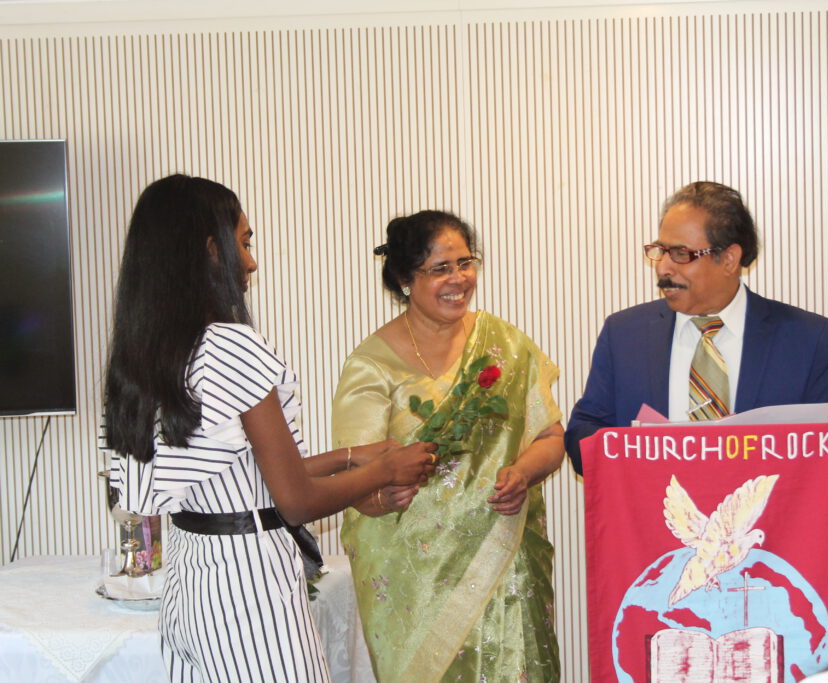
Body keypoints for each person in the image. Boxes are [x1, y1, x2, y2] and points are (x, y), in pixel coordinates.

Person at [102, 174, 437, 682]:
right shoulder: (232, 346)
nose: (252, 262)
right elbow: (296, 500)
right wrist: (387, 469)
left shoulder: (149, 353)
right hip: (248, 586)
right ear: (211, 251)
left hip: (191, 578)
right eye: (244, 243)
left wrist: (351, 457)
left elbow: (245, 471)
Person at [331, 210, 565, 682]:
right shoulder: (372, 366)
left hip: (505, 562)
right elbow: (357, 483)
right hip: (418, 582)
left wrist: (522, 473)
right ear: (405, 280)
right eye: (440, 268)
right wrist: (383, 497)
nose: (458, 279)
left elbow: (552, 438)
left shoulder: (504, 344)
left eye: (465, 263)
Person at [565, 181, 828, 474]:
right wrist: (638, 454)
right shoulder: (625, 335)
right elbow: (583, 434)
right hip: (654, 502)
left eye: (681, 253)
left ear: (729, 259)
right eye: (660, 250)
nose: (663, 267)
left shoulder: (807, 339)